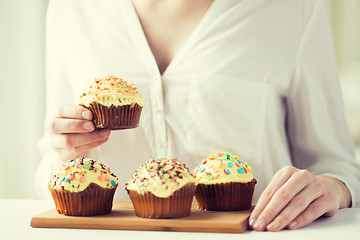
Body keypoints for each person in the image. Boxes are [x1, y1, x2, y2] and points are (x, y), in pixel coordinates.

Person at [36, 0, 360, 232]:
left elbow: (339, 167)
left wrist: (332, 187)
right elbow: (46, 174)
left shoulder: (294, 9)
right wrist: (62, 152)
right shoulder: (71, 9)